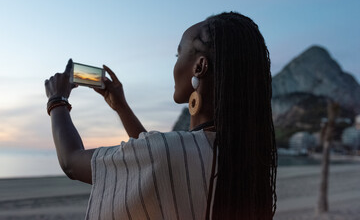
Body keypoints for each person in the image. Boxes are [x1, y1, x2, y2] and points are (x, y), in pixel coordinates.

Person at [45, 12, 277, 220]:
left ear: (199, 67)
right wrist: (121, 107)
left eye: (178, 55)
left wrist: (57, 100)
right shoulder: (243, 154)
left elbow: (71, 162)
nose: (175, 65)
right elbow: (159, 163)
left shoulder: (170, 153)